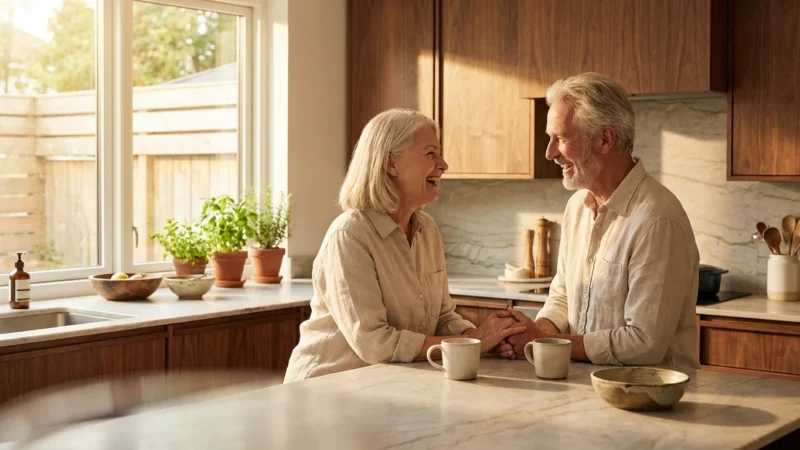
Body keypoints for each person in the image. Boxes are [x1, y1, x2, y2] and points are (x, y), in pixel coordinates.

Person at [284, 109, 525, 382]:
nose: (444, 164)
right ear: (391, 164)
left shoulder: (427, 230)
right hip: (324, 392)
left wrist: (484, 339)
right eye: (430, 154)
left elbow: (443, 318)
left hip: (384, 386)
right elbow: (375, 343)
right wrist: (475, 341)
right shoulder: (350, 235)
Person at [499, 72, 701, 371]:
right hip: (589, 389)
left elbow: (644, 344)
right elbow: (563, 295)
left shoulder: (657, 220)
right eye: (549, 138)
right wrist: (539, 332)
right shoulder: (577, 207)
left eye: (562, 138)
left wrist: (542, 343)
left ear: (605, 139)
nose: (550, 152)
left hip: (653, 401)